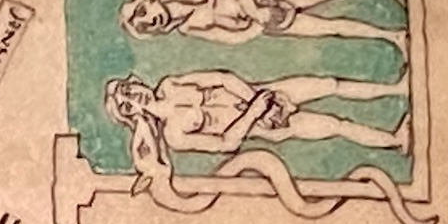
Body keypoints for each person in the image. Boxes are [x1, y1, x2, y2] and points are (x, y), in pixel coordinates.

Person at [103, 70, 409, 157]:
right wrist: (256, 115)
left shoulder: (171, 84)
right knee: (336, 125)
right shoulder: (173, 135)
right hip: (267, 126)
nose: (133, 97)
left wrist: (258, 100)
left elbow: (222, 78)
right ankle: (395, 140)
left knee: (331, 84)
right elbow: (226, 144)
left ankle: (398, 88)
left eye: (128, 90)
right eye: (127, 104)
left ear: (135, 82)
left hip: (267, 93)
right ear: (133, 116)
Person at [120, 0, 404, 45]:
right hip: (265, 24)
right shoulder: (188, 27)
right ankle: (390, 36)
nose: (150, 20)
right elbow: (228, 38)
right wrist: (256, 26)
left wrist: (256, 10)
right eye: (145, 26)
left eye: (143, 13)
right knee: (331, 28)